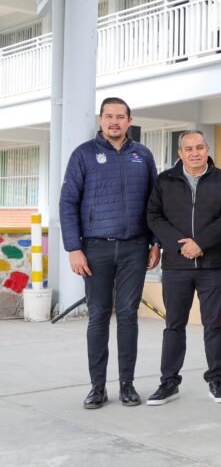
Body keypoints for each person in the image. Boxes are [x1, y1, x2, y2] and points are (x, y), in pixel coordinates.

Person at [59, 97, 160, 409]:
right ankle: (97, 387)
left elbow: (155, 203)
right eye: (108, 116)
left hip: (134, 248)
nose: (114, 122)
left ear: (129, 121)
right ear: (101, 120)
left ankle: (127, 384)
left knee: (128, 315)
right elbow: (68, 202)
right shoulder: (83, 154)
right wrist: (74, 248)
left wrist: (155, 242)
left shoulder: (143, 155)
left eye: (120, 117)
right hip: (95, 248)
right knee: (99, 315)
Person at [145, 131, 221, 405]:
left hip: (213, 264)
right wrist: (180, 246)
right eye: (189, 149)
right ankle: (169, 382)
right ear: (180, 153)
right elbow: (154, 216)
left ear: (207, 149)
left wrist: (201, 243)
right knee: (174, 325)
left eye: (199, 147)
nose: (195, 153)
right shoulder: (164, 181)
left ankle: (217, 381)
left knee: (214, 324)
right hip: (177, 265)